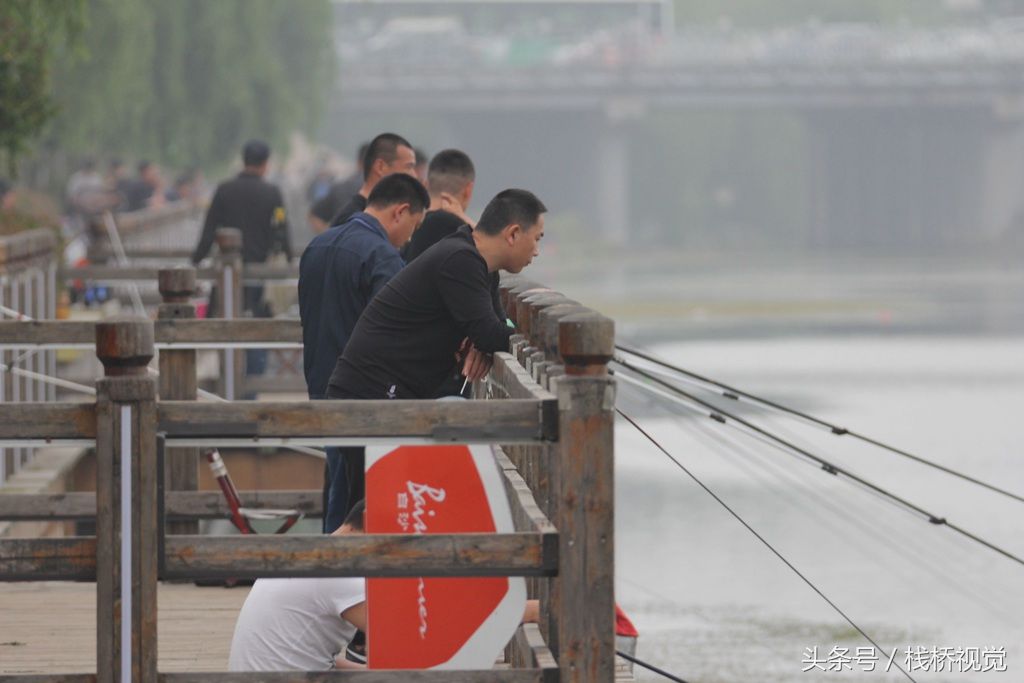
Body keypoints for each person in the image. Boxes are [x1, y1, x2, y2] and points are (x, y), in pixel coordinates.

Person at [326, 189, 546, 515]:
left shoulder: (480, 267)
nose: (537, 251)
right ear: (513, 233)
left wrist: (487, 340)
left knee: (374, 510)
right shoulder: (460, 260)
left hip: (383, 393)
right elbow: (491, 333)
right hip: (371, 392)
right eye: (537, 238)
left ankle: (341, 562)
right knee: (372, 512)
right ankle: (323, 563)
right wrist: (498, 339)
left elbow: (494, 329)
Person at [227, 499, 540, 672]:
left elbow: (299, 651)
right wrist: (524, 612)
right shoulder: (341, 569)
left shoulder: (309, 551)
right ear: (367, 522)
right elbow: (414, 633)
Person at [299, 173, 430, 532]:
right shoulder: (382, 258)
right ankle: (340, 580)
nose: (410, 239)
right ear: (400, 212)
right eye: (414, 227)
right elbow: (394, 334)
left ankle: (329, 574)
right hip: (362, 394)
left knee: (337, 484)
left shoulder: (317, 246)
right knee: (354, 499)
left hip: (319, 383)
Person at [227, 500, 369, 671]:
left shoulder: (304, 552)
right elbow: (397, 637)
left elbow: (300, 655)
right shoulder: (339, 570)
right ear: (366, 520)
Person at [192, 140, 293, 376]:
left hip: (226, 276)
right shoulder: (272, 193)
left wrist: (195, 263)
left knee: (226, 325)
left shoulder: (224, 190)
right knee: (258, 326)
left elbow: (208, 231)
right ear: (265, 164)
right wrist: (287, 259)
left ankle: (228, 382)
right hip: (258, 275)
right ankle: (251, 389)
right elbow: (281, 226)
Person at [326, 133, 417, 229]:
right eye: (408, 167)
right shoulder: (350, 221)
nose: (414, 176)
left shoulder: (382, 219)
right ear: (380, 167)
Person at [401, 148, 476, 262]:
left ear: (425, 185)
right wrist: (464, 219)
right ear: (468, 190)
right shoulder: (463, 232)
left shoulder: (404, 229)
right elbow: (494, 251)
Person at [307, 142, 368, 234]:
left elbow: (314, 215)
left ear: (358, 162)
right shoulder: (386, 191)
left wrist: (329, 237)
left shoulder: (340, 187)